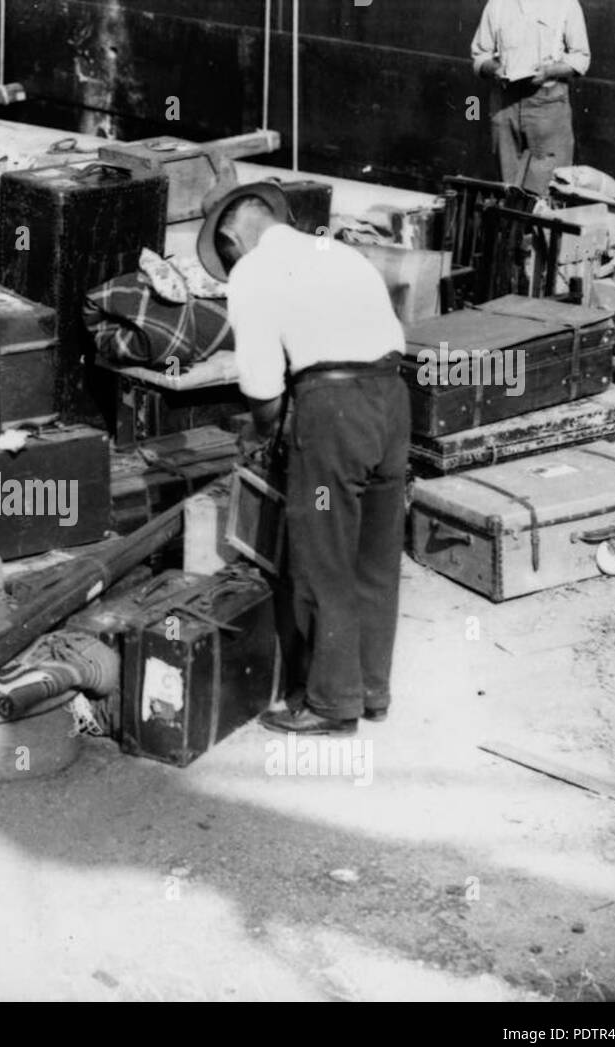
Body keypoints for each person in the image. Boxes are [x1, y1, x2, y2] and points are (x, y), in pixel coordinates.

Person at [197, 181, 409, 735]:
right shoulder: (339, 251)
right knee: (376, 556)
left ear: (231, 237)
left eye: (225, 255)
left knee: (322, 556)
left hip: (333, 410)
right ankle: (370, 690)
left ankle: (331, 704)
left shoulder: (252, 272)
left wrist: (265, 436)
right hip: (392, 400)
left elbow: (263, 387)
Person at [471, 0, 591, 189]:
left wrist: (550, 72)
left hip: (548, 108)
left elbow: (581, 58)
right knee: (505, 191)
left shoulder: (566, 5)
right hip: (504, 106)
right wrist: (495, 69)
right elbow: (480, 55)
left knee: (548, 191)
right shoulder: (498, 4)